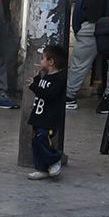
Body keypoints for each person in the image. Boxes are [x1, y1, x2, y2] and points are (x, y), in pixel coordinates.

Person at [26, 44, 66, 180]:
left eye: (43, 58)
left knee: (43, 139)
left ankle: (54, 159)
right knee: (36, 141)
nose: (41, 61)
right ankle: (42, 168)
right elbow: (42, 91)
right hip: (39, 116)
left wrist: (34, 87)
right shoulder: (46, 77)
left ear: (51, 62)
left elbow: (49, 94)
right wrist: (37, 80)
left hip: (49, 119)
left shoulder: (59, 78)